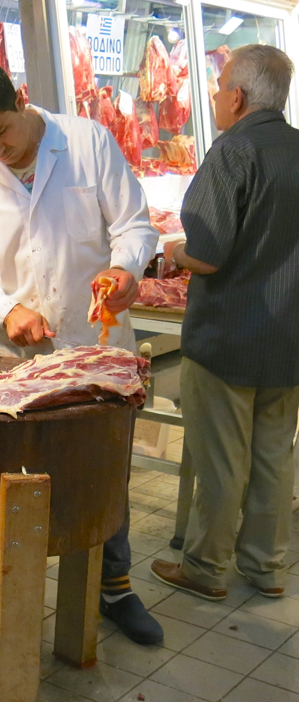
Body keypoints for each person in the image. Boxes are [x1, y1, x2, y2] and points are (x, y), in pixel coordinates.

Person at [0, 62, 161, 646]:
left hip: (98, 342)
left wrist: (124, 268)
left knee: (104, 467)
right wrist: (5, 308)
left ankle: (115, 587)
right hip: (24, 355)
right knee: (20, 470)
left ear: (21, 100)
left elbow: (134, 226)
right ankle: (13, 583)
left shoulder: (86, 143)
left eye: (0, 132)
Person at [152, 45, 299, 602]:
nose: (214, 97)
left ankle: (206, 568)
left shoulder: (234, 150)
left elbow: (207, 255)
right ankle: (265, 567)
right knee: (273, 457)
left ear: (236, 97)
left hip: (229, 339)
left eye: (217, 88)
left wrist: (174, 251)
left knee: (220, 460)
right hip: (289, 340)